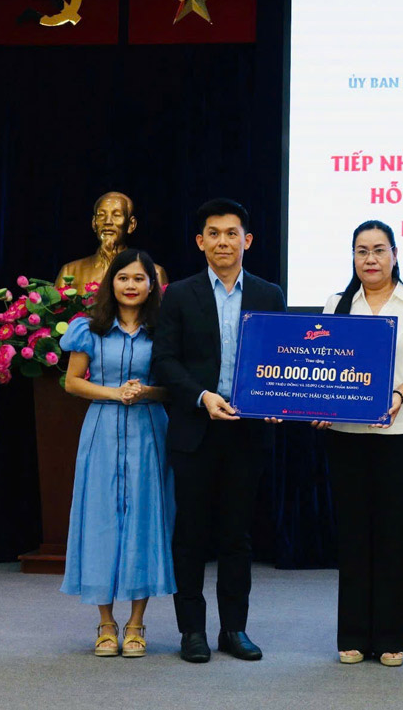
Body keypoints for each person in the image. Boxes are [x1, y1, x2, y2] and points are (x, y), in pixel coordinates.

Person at [152, 198, 286, 664]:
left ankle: (234, 629)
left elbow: (283, 362)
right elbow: (164, 360)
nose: (223, 241)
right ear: (200, 241)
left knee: (236, 537)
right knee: (189, 535)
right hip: (194, 430)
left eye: (232, 233)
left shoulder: (270, 294)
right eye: (214, 233)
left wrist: (278, 400)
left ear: (247, 241)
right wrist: (202, 397)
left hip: (247, 434)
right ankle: (192, 632)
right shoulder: (179, 294)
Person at [314, 220, 403, 667]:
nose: (370, 259)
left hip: (399, 433)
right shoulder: (337, 304)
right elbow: (323, 365)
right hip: (345, 436)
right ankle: (351, 636)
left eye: (378, 250)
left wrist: (397, 395)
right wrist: (318, 403)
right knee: (352, 536)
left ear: (394, 254)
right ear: (353, 256)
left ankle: (390, 639)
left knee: (389, 538)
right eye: (361, 251)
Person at [60, 248, 175, 658]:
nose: (130, 285)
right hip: (101, 431)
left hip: (149, 430)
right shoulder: (88, 327)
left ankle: (137, 622)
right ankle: (106, 623)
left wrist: (146, 392)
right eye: (123, 277)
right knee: (101, 520)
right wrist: (115, 393)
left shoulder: (164, 329)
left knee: (145, 520)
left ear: (152, 285)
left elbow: (173, 388)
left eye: (139, 279)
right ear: (112, 282)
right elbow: (72, 382)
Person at [55, 191, 168, 293]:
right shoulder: (70, 272)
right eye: (101, 215)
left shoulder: (154, 273)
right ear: (94, 223)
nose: (107, 222)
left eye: (116, 215)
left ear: (131, 225)